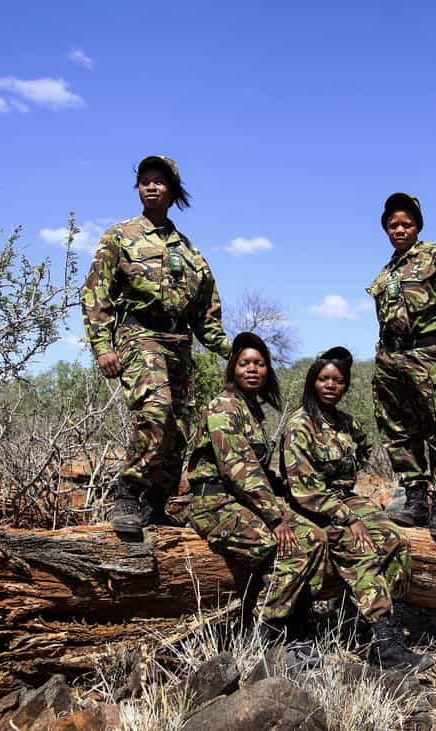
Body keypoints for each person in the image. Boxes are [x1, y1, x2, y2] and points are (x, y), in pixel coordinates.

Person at [81, 155, 231, 541]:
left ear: (173, 191)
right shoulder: (120, 236)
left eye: (159, 181)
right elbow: (96, 293)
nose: (151, 186)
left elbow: (207, 314)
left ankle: (157, 503)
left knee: (180, 427)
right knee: (157, 408)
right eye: (145, 180)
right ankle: (128, 494)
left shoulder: (190, 251)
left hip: (180, 343)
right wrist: (102, 347)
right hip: (138, 334)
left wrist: (233, 350)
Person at [281, 346, 434, 671]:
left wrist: (353, 509)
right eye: (323, 378)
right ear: (312, 381)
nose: (330, 385)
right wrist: (348, 519)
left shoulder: (346, 424)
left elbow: (362, 452)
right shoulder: (299, 425)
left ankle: (360, 622)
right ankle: (385, 642)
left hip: (343, 499)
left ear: (345, 385)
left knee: (395, 541)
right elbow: (305, 491)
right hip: (310, 507)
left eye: (338, 380)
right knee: (360, 547)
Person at [185, 331, 327, 637]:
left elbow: (260, 471)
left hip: (247, 501)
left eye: (259, 364)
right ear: (233, 368)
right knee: (286, 549)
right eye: (245, 363)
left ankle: (300, 627)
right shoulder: (224, 407)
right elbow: (240, 470)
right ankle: (263, 636)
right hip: (215, 505)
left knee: (315, 538)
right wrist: (275, 517)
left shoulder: (252, 410)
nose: (252, 369)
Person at [366, 193, 436, 540]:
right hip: (390, 360)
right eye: (393, 224)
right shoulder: (387, 272)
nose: (399, 229)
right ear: (385, 229)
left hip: (427, 355)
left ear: (417, 226)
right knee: (397, 431)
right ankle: (415, 500)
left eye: (406, 223)